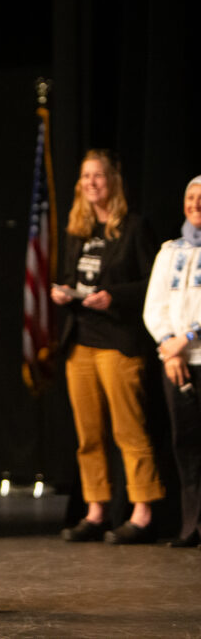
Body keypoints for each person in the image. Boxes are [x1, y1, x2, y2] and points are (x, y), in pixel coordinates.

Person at [50, 149, 163, 545]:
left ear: (112, 182)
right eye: (85, 176)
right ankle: (96, 510)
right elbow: (69, 276)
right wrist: (62, 291)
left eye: (98, 176)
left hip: (118, 342)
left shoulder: (133, 227)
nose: (91, 183)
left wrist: (114, 296)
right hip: (80, 341)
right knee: (89, 434)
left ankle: (142, 512)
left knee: (129, 430)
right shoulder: (77, 229)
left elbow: (153, 282)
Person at [143, 175, 201, 548]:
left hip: (194, 351)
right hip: (174, 362)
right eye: (191, 197)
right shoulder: (170, 251)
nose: (195, 203)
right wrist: (169, 347)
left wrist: (189, 338)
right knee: (186, 445)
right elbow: (154, 306)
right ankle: (191, 525)